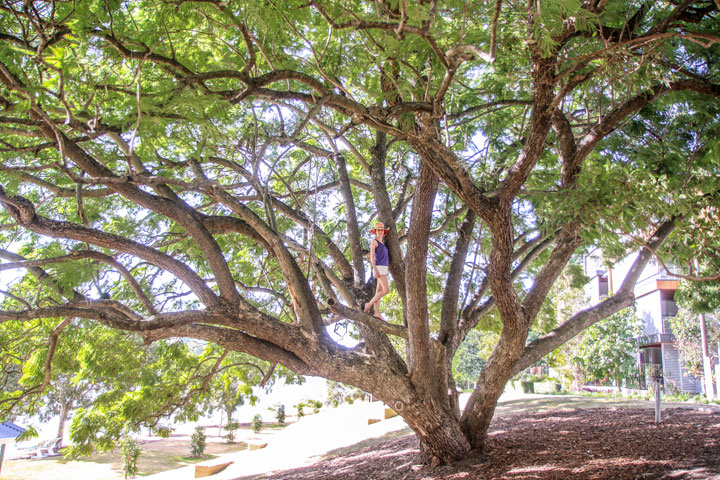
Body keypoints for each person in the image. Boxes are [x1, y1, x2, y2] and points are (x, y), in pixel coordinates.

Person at [364, 221, 390, 320]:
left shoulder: (382, 242)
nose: (380, 231)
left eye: (382, 230)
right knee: (386, 290)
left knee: (379, 291)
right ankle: (369, 304)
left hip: (384, 267)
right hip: (379, 267)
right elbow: (371, 257)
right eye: (378, 230)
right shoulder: (374, 241)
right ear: (375, 231)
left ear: (384, 232)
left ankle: (377, 313)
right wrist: (375, 269)